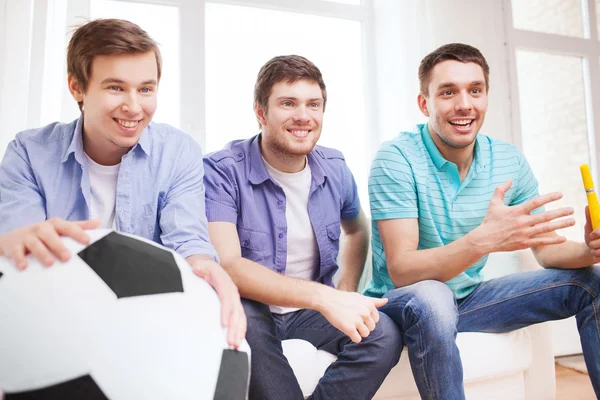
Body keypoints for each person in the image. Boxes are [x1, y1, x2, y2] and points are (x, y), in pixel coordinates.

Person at [364, 42, 600, 399]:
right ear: (424, 103)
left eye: (475, 90)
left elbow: (548, 254)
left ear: (486, 96)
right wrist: (485, 239)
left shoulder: (507, 160)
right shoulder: (396, 158)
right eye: (448, 92)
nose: (464, 104)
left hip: (470, 299)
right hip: (401, 303)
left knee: (592, 283)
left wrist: (590, 249)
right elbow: (403, 269)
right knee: (433, 296)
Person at [0, 19, 245, 348]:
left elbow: (188, 241)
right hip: (56, 313)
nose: (133, 107)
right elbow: (19, 255)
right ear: (77, 88)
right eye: (115, 87)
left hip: (147, 318)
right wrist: (20, 243)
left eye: (145, 89)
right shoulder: (29, 153)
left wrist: (205, 268)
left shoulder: (178, 151)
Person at [203, 55, 401, 399]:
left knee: (383, 334)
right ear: (261, 112)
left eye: (314, 104)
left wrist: (347, 289)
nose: (303, 116)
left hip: (308, 313)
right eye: (288, 103)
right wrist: (326, 297)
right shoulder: (222, 171)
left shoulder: (335, 167)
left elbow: (357, 229)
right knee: (243, 319)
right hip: (252, 307)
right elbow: (229, 266)